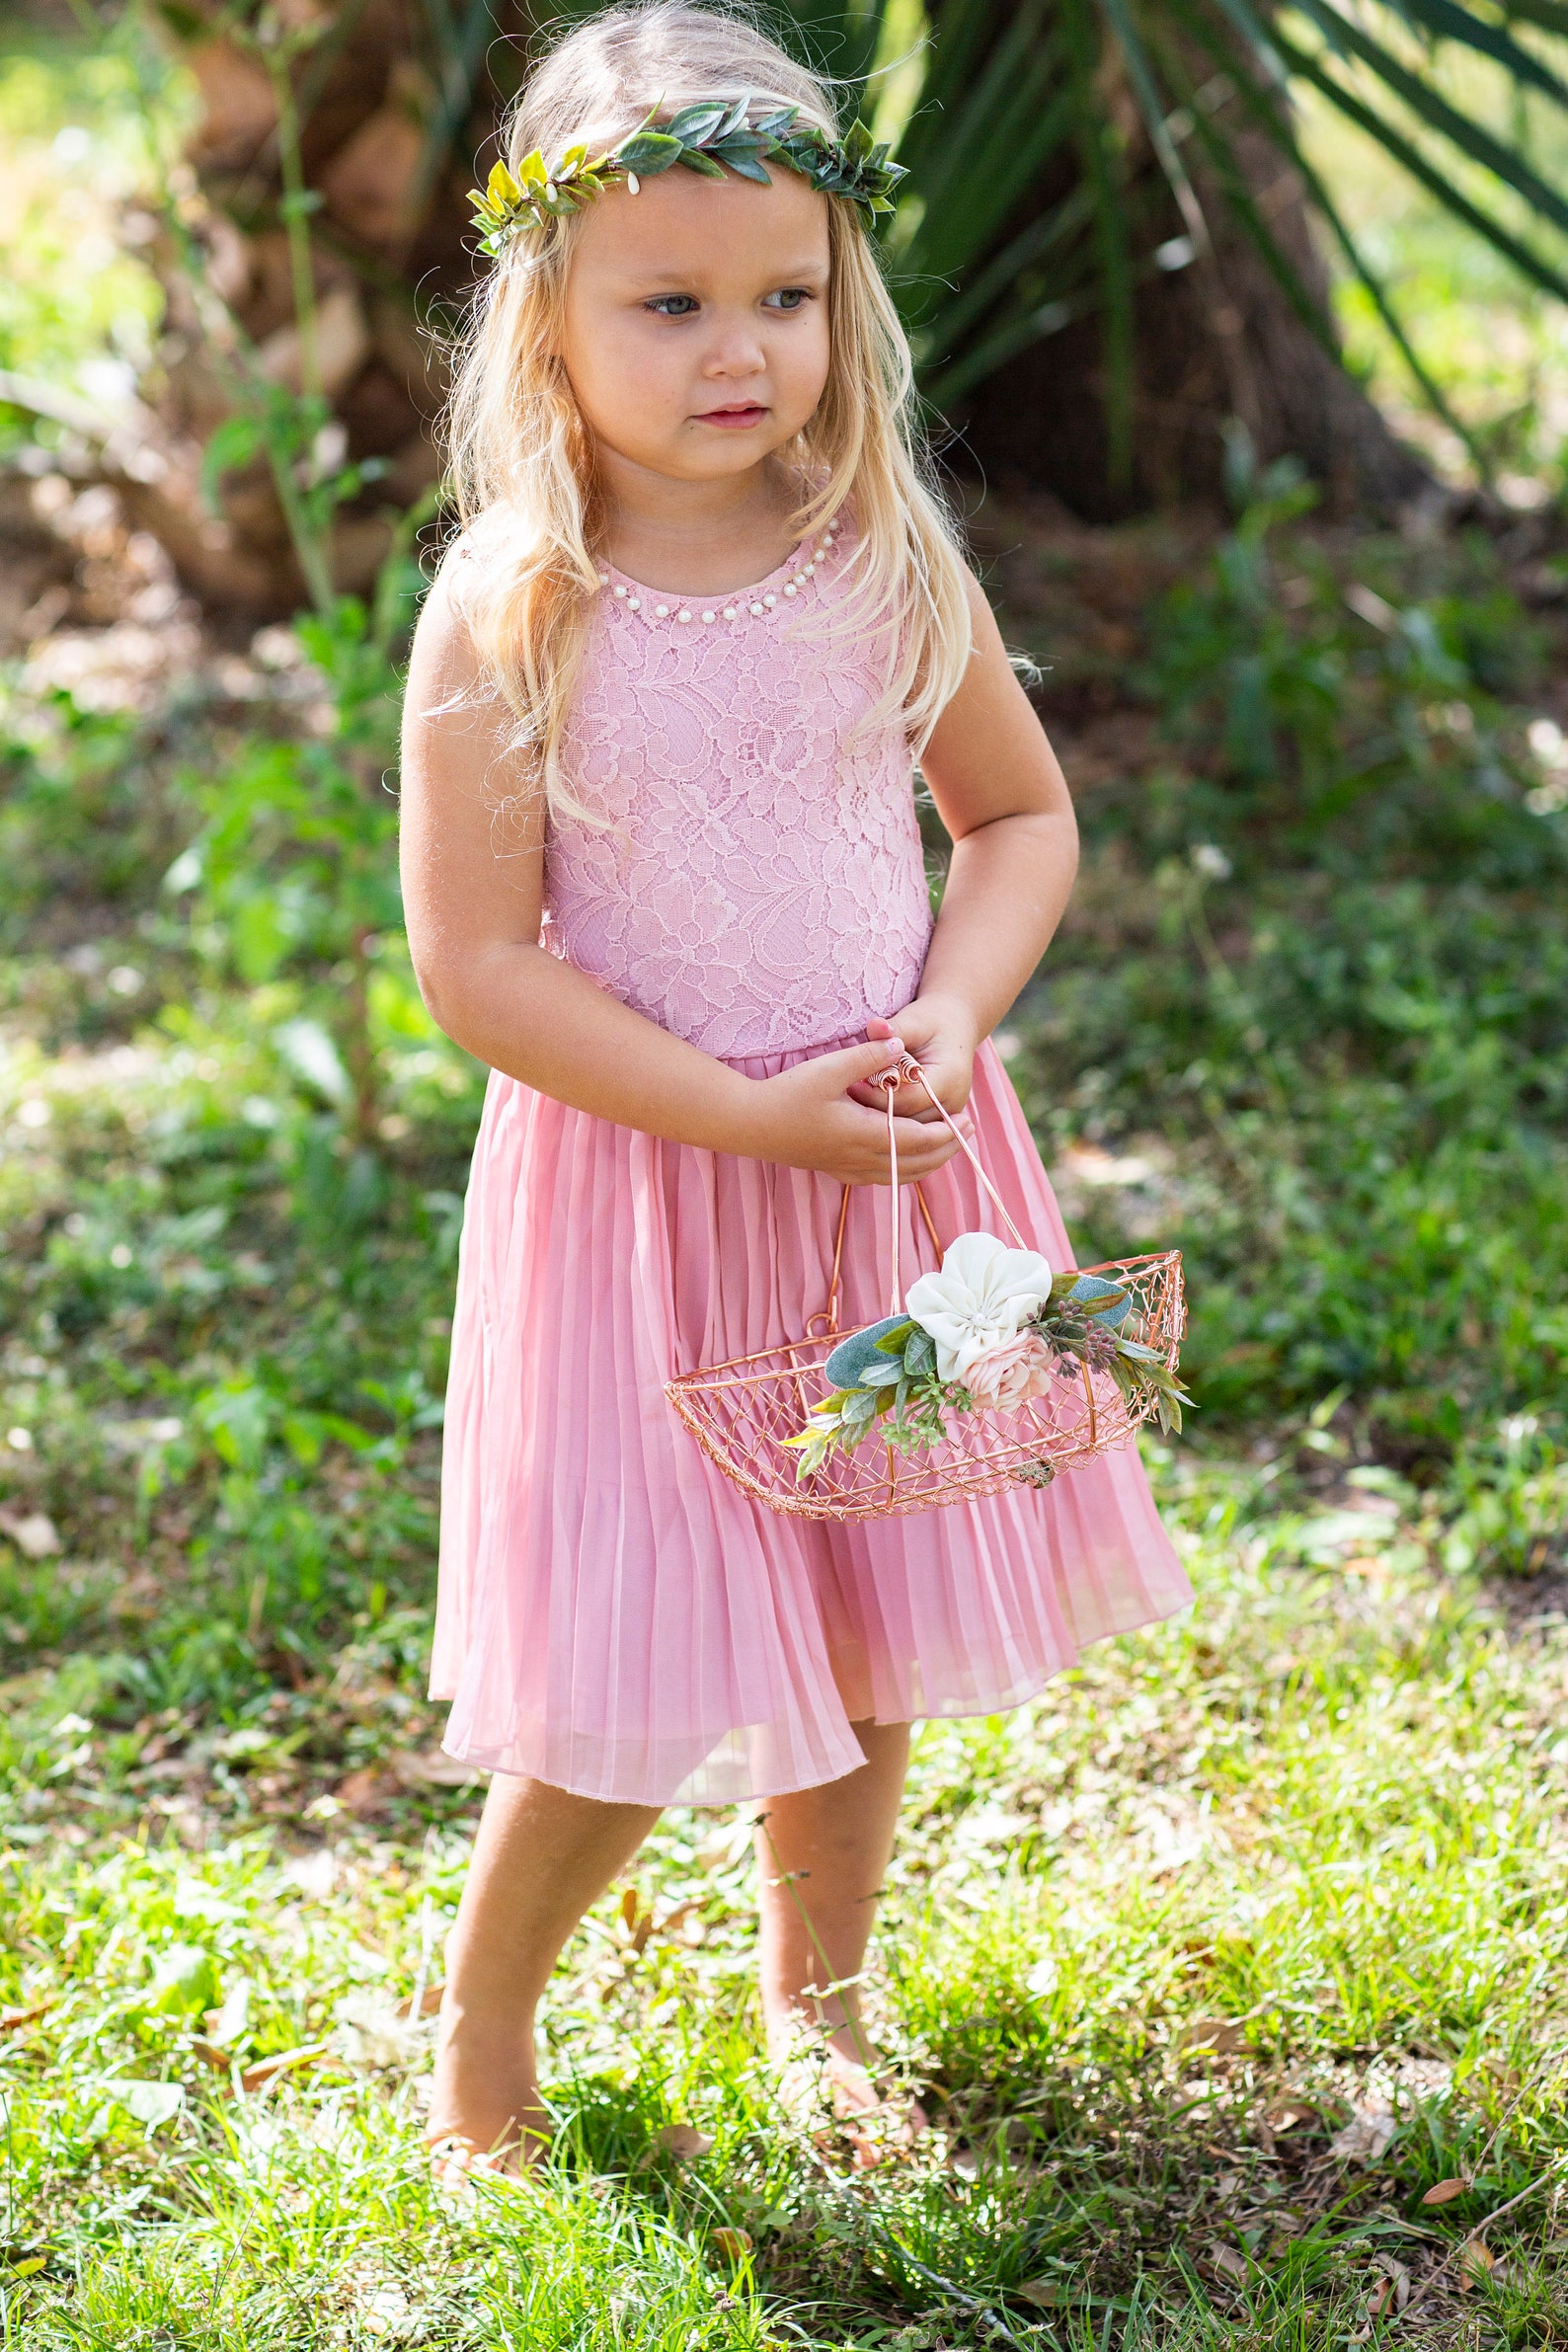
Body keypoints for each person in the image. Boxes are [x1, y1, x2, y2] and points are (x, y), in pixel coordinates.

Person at [399, 0, 1191, 2177]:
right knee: (630, 1662)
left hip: (885, 1168)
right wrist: (739, 1113)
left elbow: (1016, 821)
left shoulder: (880, 552)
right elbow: (476, 965)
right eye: (667, 304)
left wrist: (955, 1006)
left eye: (784, 296)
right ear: (546, 315)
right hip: (654, 1191)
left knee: (868, 1603)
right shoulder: (516, 606)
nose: (736, 348)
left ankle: (819, 2001)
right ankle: (483, 2036)